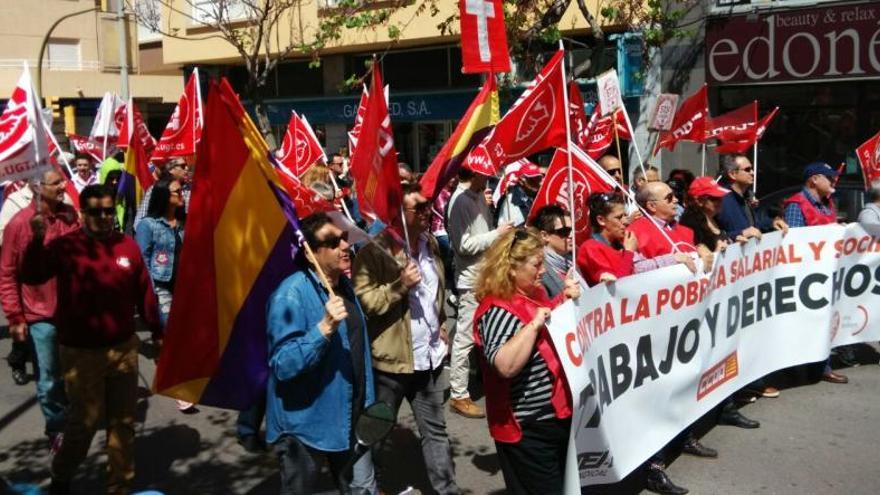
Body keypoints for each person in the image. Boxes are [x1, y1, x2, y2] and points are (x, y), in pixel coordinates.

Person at [21, 184, 161, 495]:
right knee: (83, 425)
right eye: (95, 211)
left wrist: (157, 330)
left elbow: (145, 292)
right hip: (80, 353)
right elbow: (32, 275)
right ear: (83, 214)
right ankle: (62, 476)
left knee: (123, 423)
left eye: (108, 211)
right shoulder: (65, 247)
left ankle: (119, 485)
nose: (103, 217)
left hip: (123, 349)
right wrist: (36, 241)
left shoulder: (128, 246)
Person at [353, 183, 459, 494]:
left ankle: (447, 490)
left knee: (436, 432)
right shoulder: (374, 252)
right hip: (391, 364)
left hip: (428, 360)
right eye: (420, 207)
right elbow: (366, 304)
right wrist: (399, 285)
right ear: (398, 214)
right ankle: (367, 486)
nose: (429, 211)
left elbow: (434, 294)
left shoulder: (430, 245)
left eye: (428, 205)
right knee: (375, 431)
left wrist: (440, 323)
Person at [265, 212, 377, 495]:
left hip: (351, 414)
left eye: (344, 238)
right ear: (310, 251)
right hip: (307, 425)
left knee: (362, 489)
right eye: (332, 241)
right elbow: (283, 364)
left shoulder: (344, 286)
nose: (344, 246)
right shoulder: (289, 295)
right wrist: (324, 328)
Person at [472, 228, 580, 494]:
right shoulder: (496, 309)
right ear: (510, 269)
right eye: (536, 264)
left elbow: (547, 319)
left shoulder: (534, 294)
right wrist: (533, 326)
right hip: (529, 428)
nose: (543, 270)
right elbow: (505, 365)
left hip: (555, 418)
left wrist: (563, 300)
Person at [0, 170, 80, 450]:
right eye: (56, 182)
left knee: (75, 370)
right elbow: (7, 274)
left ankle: (74, 416)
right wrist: (14, 316)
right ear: (37, 187)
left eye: (62, 181)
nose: (63, 186)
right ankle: (57, 428)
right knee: (48, 376)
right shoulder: (19, 224)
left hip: (72, 310)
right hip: (39, 315)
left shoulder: (70, 215)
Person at [679, 177, 765, 428]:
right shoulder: (689, 223)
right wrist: (704, 250)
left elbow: (721, 241)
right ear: (699, 200)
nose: (720, 203)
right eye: (714, 199)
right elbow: (691, 249)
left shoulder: (713, 220)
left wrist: (733, 239)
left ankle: (725, 406)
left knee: (724, 351)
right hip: (705, 300)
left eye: (720, 198)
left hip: (722, 297)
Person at [447, 166, 513, 418]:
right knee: (464, 338)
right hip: (472, 280)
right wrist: (498, 233)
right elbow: (464, 245)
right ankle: (459, 394)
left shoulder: (475, 198)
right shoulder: (460, 202)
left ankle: (482, 379)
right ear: (474, 174)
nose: (489, 176)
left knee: (485, 332)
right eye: (484, 172)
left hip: (486, 277)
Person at [783, 161, 848, 384]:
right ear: (814, 180)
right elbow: (794, 243)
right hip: (806, 276)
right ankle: (795, 367)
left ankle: (822, 365)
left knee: (824, 321)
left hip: (826, 274)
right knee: (804, 323)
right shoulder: (797, 205)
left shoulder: (828, 204)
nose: (833, 181)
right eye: (828, 177)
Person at [134, 178, 193, 413]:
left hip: (184, 287)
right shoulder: (149, 225)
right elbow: (142, 259)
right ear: (164, 196)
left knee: (183, 335)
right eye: (177, 191)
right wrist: (149, 294)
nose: (182, 194)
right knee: (170, 335)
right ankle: (179, 387)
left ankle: (173, 373)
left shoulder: (184, 222)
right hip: (161, 287)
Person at [715, 154, 788, 241]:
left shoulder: (746, 198)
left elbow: (753, 228)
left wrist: (772, 223)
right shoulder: (721, 199)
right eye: (747, 169)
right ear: (732, 174)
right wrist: (740, 233)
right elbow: (713, 235)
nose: (752, 173)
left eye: (752, 169)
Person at [576, 193, 637, 286]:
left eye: (625, 216)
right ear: (601, 220)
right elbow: (617, 288)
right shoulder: (590, 248)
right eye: (619, 217)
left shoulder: (620, 243)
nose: (625, 222)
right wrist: (628, 253)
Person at [528, 205, 573, 298]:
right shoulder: (540, 272)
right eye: (564, 231)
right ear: (545, 235)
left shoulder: (576, 261)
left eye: (572, 230)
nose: (571, 235)